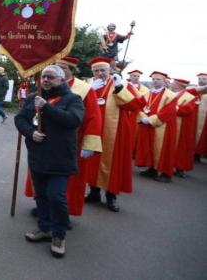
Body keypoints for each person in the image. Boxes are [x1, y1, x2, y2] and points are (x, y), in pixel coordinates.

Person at [15, 65, 84, 259]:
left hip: (60, 159)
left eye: (51, 77)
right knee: (41, 196)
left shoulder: (73, 99)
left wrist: (47, 107)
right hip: (38, 156)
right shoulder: (33, 98)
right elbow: (20, 119)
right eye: (44, 76)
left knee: (56, 196)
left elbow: (73, 120)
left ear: (61, 80)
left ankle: (59, 236)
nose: (46, 80)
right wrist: (30, 132)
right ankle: (45, 229)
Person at [24, 56, 102, 219]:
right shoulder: (45, 88)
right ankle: (44, 210)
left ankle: (62, 215)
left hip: (70, 142)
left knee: (65, 185)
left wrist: (90, 143)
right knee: (42, 178)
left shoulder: (84, 89)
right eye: (57, 66)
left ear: (71, 71)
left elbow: (93, 117)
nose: (60, 69)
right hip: (43, 142)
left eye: (64, 68)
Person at [85, 57, 145, 211]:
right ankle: (94, 192)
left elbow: (136, 105)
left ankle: (111, 197)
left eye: (103, 70)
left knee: (113, 163)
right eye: (96, 71)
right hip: (94, 131)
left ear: (109, 70)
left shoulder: (122, 84)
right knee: (93, 162)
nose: (100, 73)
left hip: (116, 132)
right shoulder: (89, 85)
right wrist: (89, 90)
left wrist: (119, 89)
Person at [135, 71, 177, 183]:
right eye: (153, 79)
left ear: (164, 81)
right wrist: (142, 117)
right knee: (149, 147)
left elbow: (168, 111)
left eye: (158, 79)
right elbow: (138, 106)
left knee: (163, 149)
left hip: (163, 126)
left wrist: (149, 120)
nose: (155, 81)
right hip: (147, 125)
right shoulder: (147, 94)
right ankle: (152, 169)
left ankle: (166, 174)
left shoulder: (170, 95)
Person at [169, 78, 199, 178]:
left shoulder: (190, 97)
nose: (171, 85)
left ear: (179, 85)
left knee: (181, 148)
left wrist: (171, 108)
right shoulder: (172, 94)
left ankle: (179, 168)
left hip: (183, 127)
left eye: (173, 83)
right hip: (172, 123)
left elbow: (186, 110)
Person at [188, 73, 207, 162]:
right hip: (192, 116)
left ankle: (198, 154)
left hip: (203, 118)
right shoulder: (192, 90)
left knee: (201, 136)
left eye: (204, 79)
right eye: (200, 79)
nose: (201, 80)